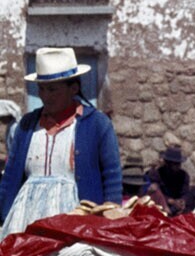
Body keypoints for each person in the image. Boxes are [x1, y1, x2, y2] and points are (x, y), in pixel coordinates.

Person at [0, 47, 122, 236]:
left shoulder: (97, 124)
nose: (45, 96)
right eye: (41, 89)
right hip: (24, 217)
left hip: (75, 218)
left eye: (52, 89)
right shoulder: (27, 125)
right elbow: (10, 176)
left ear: (73, 88)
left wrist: (111, 213)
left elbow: (111, 174)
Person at [141, 146, 195, 217]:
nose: (178, 166)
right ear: (168, 164)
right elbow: (155, 193)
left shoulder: (184, 175)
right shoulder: (158, 174)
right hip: (162, 205)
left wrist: (183, 201)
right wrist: (170, 201)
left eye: (178, 164)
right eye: (175, 164)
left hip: (177, 206)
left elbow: (185, 192)